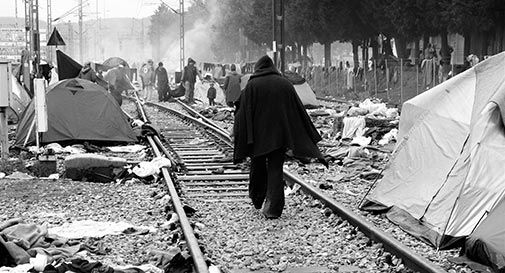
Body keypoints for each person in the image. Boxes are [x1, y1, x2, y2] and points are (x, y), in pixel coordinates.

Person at [233, 55, 326, 219]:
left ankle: (257, 198)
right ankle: (273, 209)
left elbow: (242, 111)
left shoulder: (253, 84)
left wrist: (240, 134)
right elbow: (298, 109)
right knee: (276, 169)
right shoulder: (284, 83)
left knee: (258, 165)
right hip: (280, 136)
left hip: (258, 136)